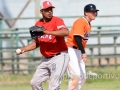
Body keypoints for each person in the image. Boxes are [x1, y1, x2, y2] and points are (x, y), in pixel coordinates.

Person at [15, 1, 69, 90]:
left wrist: (46, 31)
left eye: (50, 9)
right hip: (45, 59)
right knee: (34, 83)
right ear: (41, 12)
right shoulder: (38, 24)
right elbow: (37, 42)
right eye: (46, 10)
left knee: (54, 85)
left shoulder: (57, 20)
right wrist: (24, 49)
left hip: (59, 56)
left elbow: (66, 32)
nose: (49, 11)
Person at [66, 4, 99, 90]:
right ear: (86, 13)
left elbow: (82, 41)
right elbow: (77, 38)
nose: (94, 13)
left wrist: (82, 52)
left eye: (95, 12)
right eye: (92, 12)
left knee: (83, 77)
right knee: (76, 76)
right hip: (71, 49)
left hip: (78, 51)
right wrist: (83, 53)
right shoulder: (81, 21)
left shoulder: (88, 24)